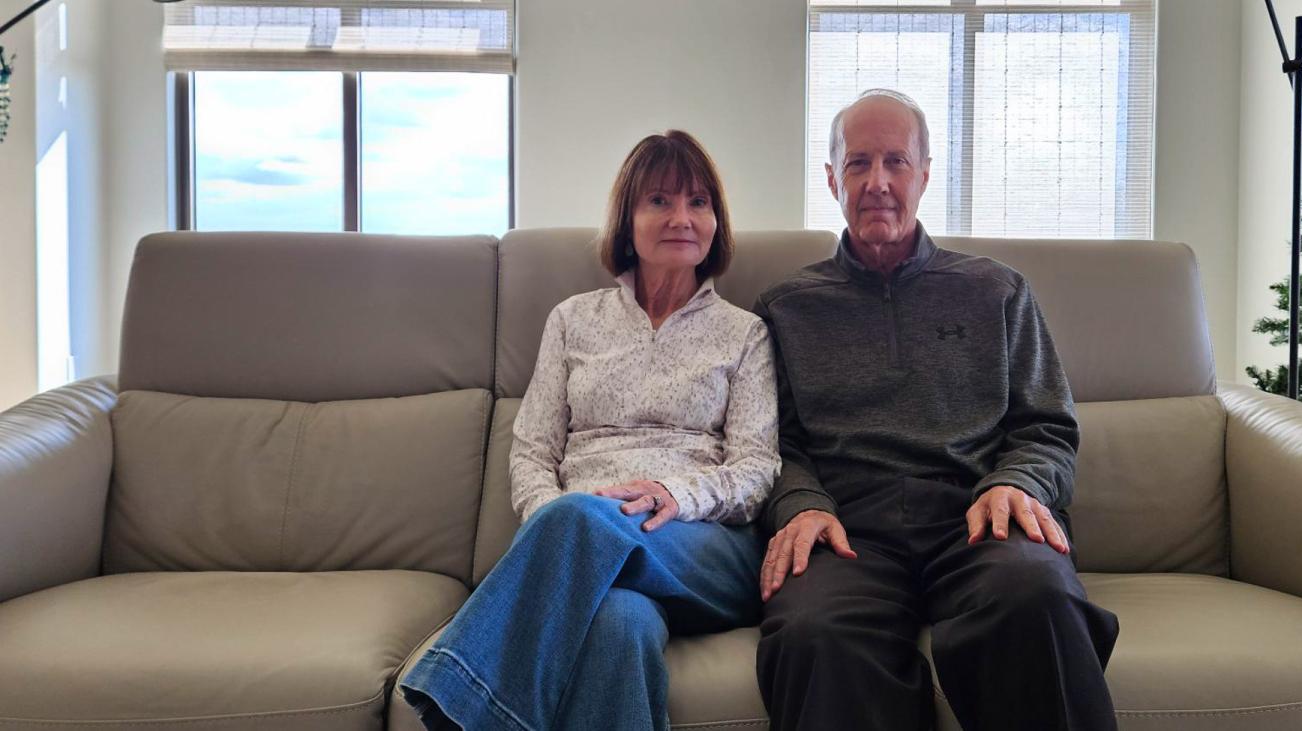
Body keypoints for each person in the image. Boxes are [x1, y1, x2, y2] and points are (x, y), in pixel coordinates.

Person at [753, 89, 1119, 731]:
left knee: (1038, 597)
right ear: (833, 179)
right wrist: (801, 504)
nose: (878, 182)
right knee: (814, 632)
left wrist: (1017, 482)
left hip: (978, 520)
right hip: (847, 531)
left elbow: (1047, 425)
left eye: (896, 161)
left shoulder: (997, 289)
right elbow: (769, 444)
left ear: (924, 174)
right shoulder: (785, 307)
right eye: (859, 163)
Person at [401, 130, 780, 731]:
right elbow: (532, 451)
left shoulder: (745, 333)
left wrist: (675, 495)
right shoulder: (573, 320)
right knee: (618, 623)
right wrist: (555, 522)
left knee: (581, 520)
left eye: (698, 202)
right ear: (627, 219)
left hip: (702, 547)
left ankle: (459, 706)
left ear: (717, 221)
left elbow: (758, 468)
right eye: (659, 200)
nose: (682, 218)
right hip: (585, 545)